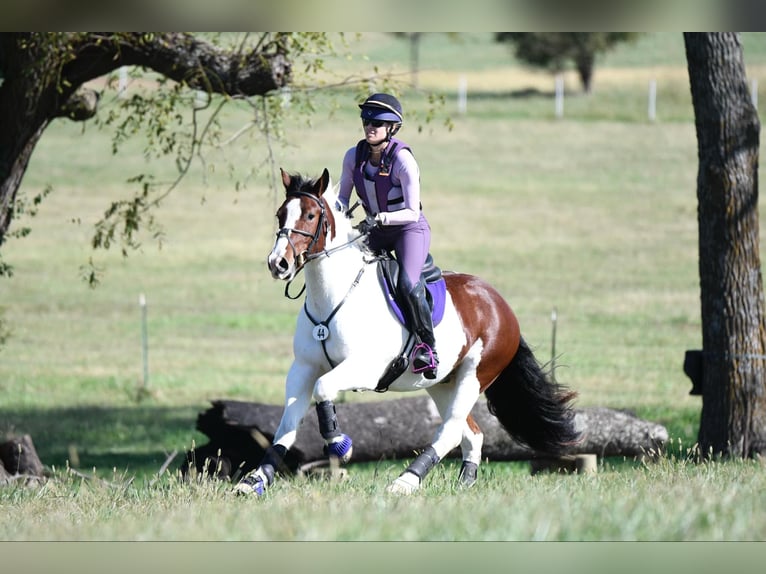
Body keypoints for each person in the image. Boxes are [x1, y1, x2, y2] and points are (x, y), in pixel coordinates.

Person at [337, 93, 439, 379]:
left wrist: (380, 218)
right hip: (375, 230)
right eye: (367, 121)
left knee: (407, 283)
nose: (371, 127)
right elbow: (342, 199)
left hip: (409, 230)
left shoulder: (404, 161)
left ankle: (427, 348)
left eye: (378, 123)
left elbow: (412, 212)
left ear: (392, 128)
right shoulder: (352, 156)